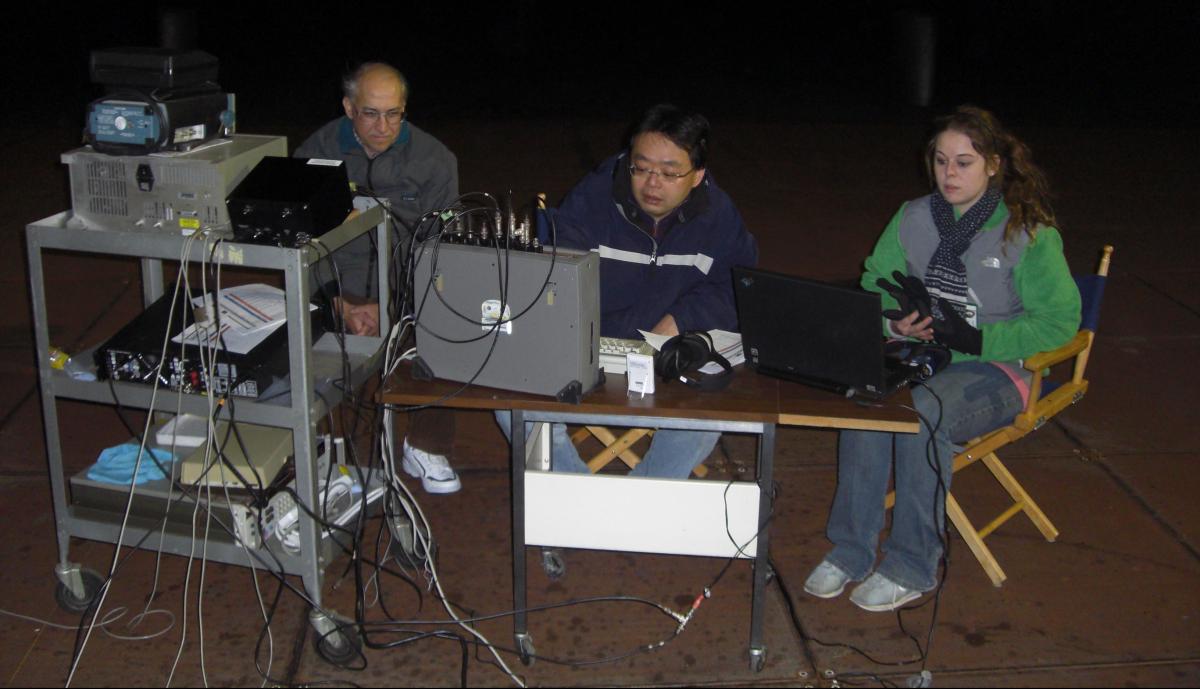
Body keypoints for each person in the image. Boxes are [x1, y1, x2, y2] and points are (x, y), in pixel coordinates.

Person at [803, 105, 1081, 611]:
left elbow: (1059, 324)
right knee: (864, 394)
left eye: (964, 162)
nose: (949, 174)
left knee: (922, 412)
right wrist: (895, 319)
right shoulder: (913, 217)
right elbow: (874, 280)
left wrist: (975, 339)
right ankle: (851, 549)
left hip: (1000, 369)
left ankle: (912, 563)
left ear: (994, 165)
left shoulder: (1028, 233)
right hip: (923, 353)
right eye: (940, 161)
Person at [498, 104, 758, 478]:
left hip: (667, 357)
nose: (652, 184)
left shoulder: (718, 216)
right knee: (505, 387)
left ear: (698, 175)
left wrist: (680, 320)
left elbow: (738, 285)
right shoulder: (591, 201)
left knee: (713, 406)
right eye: (642, 168)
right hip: (587, 348)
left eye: (670, 173)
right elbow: (556, 277)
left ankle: (636, 504)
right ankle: (578, 495)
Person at [295, 62, 462, 493]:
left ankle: (425, 445)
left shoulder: (435, 159)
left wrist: (391, 305)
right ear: (349, 108)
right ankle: (314, 448)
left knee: (454, 328)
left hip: (403, 288)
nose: (383, 126)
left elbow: (440, 251)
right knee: (284, 335)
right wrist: (336, 301)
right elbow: (296, 244)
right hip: (334, 286)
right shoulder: (316, 151)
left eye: (394, 113)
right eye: (371, 113)